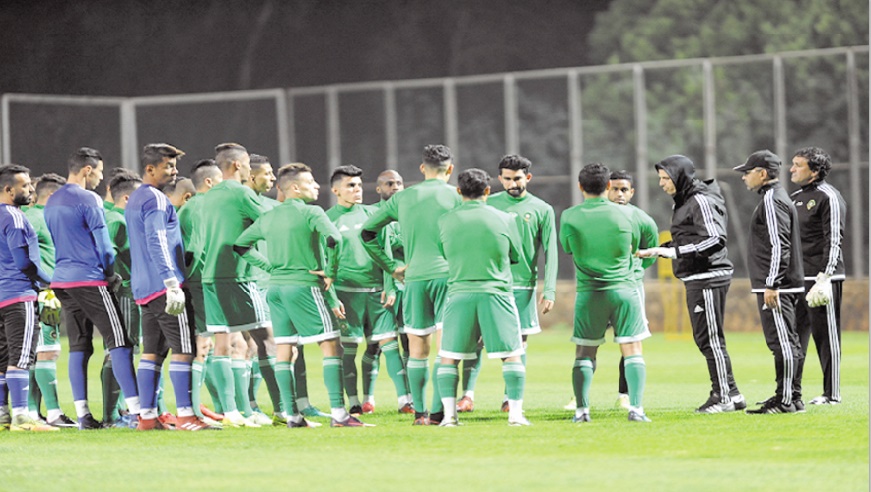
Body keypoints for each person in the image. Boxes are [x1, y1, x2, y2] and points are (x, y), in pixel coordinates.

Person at [234, 163, 370, 428]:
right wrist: (330, 272)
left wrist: (269, 267)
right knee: (332, 346)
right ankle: (340, 415)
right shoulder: (312, 212)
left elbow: (240, 246)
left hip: (276, 290)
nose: (315, 186)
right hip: (304, 286)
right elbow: (335, 240)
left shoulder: (269, 216)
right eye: (310, 182)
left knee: (285, 350)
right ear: (295, 188)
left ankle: (292, 415)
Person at [361, 145, 461, 425]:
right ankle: (440, 411)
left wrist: (391, 267)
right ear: (450, 169)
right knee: (447, 350)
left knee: (417, 350)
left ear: (422, 168)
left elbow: (367, 232)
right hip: (448, 277)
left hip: (414, 278)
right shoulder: (457, 196)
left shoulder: (403, 198)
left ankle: (420, 413)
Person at [638, 155, 745, 413]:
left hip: (707, 276)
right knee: (708, 338)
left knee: (709, 339)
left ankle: (721, 397)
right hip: (697, 277)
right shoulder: (684, 201)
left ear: (679, 177)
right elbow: (690, 238)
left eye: (666, 178)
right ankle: (732, 393)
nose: (662, 184)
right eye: (660, 178)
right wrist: (660, 250)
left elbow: (715, 240)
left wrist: (674, 253)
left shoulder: (699, 200)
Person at [44, 147, 141, 430]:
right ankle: (138, 412)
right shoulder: (89, 200)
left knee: (79, 347)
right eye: (98, 171)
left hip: (62, 281)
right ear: (87, 170)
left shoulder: (52, 201)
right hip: (88, 278)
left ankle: (84, 414)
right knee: (120, 342)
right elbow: (105, 248)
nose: (100, 178)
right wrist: (110, 275)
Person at [126, 143, 215, 431]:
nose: (174, 171)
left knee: (152, 352)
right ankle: (187, 415)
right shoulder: (155, 200)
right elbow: (156, 240)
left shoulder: (137, 198)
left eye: (175, 165)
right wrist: (171, 282)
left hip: (145, 289)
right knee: (184, 349)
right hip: (164, 286)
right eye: (168, 166)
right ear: (150, 169)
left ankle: (148, 418)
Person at [458, 154, 556, 413]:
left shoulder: (542, 209)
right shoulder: (489, 203)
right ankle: (467, 395)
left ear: (528, 178)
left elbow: (551, 251)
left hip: (523, 286)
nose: (513, 183)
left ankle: (509, 398)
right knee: (473, 340)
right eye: (507, 178)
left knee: (518, 343)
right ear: (499, 178)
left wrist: (550, 289)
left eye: (518, 178)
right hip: (489, 282)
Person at [435, 168, 528, 427]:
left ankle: (449, 417)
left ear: (458, 192)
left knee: (449, 356)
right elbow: (517, 255)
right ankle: (516, 416)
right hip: (496, 293)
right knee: (511, 354)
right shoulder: (506, 218)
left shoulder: (445, 220)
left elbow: (445, 252)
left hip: (459, 293)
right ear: (488, 191)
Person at [562, 163, 652, 424]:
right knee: (632, 349)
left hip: (590, 293)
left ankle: (582, 411)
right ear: (607, 187)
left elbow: (568, 246)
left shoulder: (569, 215)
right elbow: (636, 246)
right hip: (624, 290)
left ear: (580, 187)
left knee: (584, 353)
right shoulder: (630, 216)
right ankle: (636, 409)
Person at [326, 165, 410, 415]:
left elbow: (385, 253)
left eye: (359, 185)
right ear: (336, 190)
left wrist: (390, 286)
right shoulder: (327, 219)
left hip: (377, 293)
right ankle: (354, 401)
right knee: (348, 349)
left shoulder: (374, 214)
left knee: (390, 344)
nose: (357, 190)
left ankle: (405, 400)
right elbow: (323, 262)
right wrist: (331, 298)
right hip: (346, 294)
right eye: (351, 186)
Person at [198, 143, 271, 428]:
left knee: (224, 343)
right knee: (268, 340)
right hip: (238, 275)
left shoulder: (208, 196)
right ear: (239, 165)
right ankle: (282, 409)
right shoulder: (242, 193)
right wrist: (261, 259)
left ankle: (233, 411)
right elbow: (270, 223)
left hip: (210, 276)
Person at [734, 150, 805, 414]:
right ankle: (793, 397)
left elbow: (779, 245)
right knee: (789, 341)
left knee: (782, 343)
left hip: (779, 286)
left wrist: (772, 283)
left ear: (762, 174)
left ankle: (785, 400)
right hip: (783, 283)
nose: (743, 177)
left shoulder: (773, 200)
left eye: (747, 172)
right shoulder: (775, 197)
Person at [0, 164, 57, 431]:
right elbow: (24, 261)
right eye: (25, 186)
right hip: (18, 295)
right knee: (20, 357)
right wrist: (48, 283)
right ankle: (22, 417)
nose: (31, 190)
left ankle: (2, 415)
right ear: (8, 190)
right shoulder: (14, 217)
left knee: (2, 358)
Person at [789, 147, 846, 405]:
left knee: (826, 335)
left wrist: (825, 277)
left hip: (822, 279)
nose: (792, 169)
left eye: (798, 165)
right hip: (797, 279)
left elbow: (833, 239)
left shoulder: (829, 197)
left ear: (814, 171)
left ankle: (831, 394)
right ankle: (791, 392)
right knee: (795, 335)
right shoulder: (795, 198)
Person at [22, 173, 77, 427]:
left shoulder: (28, 216)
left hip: (28, 293)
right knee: (47, 352)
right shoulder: (43, 218)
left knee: (33, 354)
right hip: (43, 294)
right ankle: (54, 413)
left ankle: (33, 413)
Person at [178, 159, 224, 425]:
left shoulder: (199, 206)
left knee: (207, 345)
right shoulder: (197, 206)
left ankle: (208, 408)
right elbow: (192, 251)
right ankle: (193, 411)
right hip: (199, 284)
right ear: (209, 182)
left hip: (202, 282)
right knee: (201, 345)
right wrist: (191, 280)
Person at [239, 154, 283, 424]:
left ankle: (251, 405)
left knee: (258, 346)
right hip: (246, 281)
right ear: (252, 176)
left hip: (268, 283)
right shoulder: (241, 203)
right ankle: (250, 406)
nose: (273, 178)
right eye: (268, 173)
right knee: (247, 345)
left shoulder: (268, 206)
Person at [101, 171, 143, 427]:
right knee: (121, 350)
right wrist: (116, 279)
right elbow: (108, 254)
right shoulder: (119, 221)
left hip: (122, 291)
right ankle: (111, 417)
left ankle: (116, 411)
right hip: (124, 293)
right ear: (127, 197)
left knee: (118, 350)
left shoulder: (112, 217)